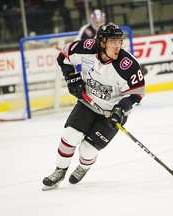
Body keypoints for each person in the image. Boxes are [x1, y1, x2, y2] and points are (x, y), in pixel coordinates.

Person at [42, 24, 145, 190]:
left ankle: (83, 166)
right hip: (87, 102)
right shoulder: (86, 48)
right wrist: (71, 77)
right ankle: (59, 171)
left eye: (119, 41)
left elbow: (137, 93)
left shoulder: (128, 65)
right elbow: (63, 56)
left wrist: (120, 109)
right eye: (112, 42)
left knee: (87, 149)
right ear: (102, 43)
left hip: (112, 113)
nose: (117, 46)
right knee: (70, 135)